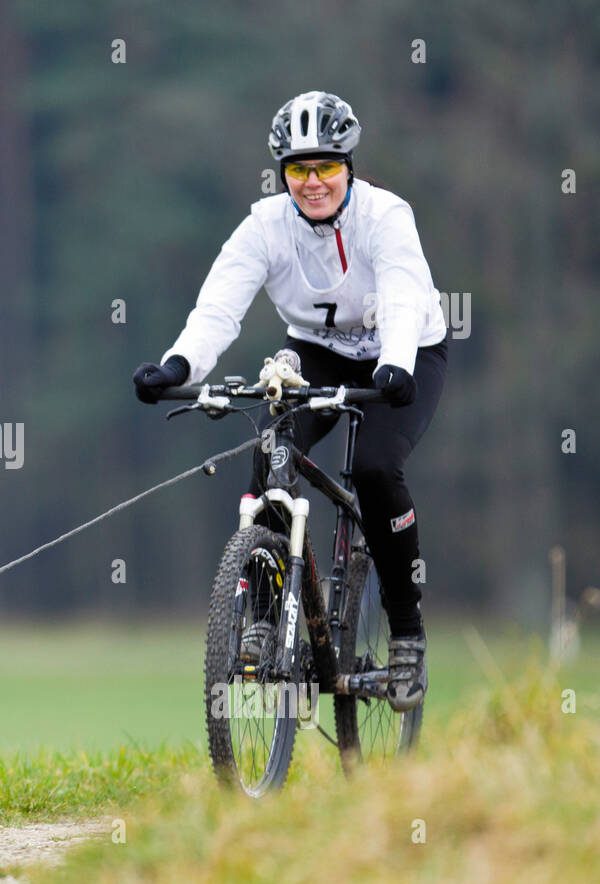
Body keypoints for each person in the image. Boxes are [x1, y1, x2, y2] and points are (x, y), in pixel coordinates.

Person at [132, 91, 448, 713]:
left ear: (349, 165)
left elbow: (405, 296)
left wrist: (396, 364)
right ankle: (262, 613)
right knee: (271, 453)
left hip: (404, 355)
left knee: (377, 468)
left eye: (326, 166)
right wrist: (177, 365)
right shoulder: (264, 226)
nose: (313, 182)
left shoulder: (387, 217)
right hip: (316, 352)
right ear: (282, 174)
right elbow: (219, 307)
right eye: (298, 170)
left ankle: (407, 631)